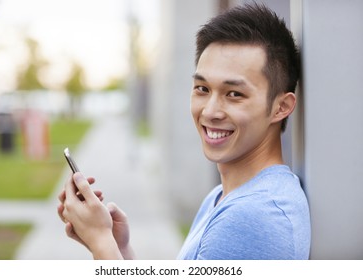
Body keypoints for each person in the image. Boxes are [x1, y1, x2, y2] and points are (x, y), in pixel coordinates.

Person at [57, 3, 311, 260]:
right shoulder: (225, 197)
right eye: (202, 88)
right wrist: (119, 249)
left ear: (281, 107)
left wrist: (101, 242)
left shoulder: (252, 218)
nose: (210, 111)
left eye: (234, 94)